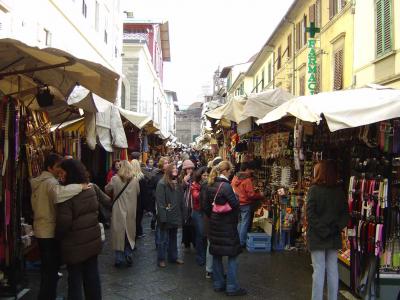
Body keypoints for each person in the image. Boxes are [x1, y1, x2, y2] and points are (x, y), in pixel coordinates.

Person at [30, 153, 86, 300]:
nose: (59, 170)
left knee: (47, 269)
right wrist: (80, 186)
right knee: (50, 270)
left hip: (41, 227)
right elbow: (58, 194)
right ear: (49, 167)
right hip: (48, 229)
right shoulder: (50, 182)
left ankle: (47, 296)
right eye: (57, 167)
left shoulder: (40, 181)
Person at [55, 159, 102, 300]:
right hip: (92, 240)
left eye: (62, 173)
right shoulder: (91, 188)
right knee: (92, 276)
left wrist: (58, 237)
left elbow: (64, 222)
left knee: (74, 280)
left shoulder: (67, 195)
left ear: (70, 173)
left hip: (74, 244)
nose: (60, 176)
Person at [202, 161, 247, 296]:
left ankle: (218, 284)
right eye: (230, 171)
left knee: (216, 254)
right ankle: (232, 287)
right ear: (226, 171)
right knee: (232, 255)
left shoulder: (209, 185)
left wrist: (214, 216)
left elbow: (206, 207)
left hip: (215, 225)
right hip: (227, 226)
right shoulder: (226, 187)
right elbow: (235, 206)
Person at [306, 160, 349, 300]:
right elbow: (345, 215)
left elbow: (310, 214)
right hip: (333, 235)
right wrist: (335, 228)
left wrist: (322, 229)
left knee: (318, 270)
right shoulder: (339, 191)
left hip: (318, 235)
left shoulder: (314, 190)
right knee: (332, 269)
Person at [105, 160, 140, 268]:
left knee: (118, 234)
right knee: (129, 233)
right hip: (131, 210)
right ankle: (128, 254)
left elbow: (107, 189)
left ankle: (119, 259)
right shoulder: (135, 180)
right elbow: (138, 192)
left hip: (118, 210)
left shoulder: (115, 179)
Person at [155, 163, 185, 267]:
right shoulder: (162, 183)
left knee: (173, 238)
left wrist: (182, 214)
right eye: (173, 168)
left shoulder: (178, 183)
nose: (175, 169)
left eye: (176, 168)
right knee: (163, 239)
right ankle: (161, 259)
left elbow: (181, 201)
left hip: (175, 215)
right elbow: (160, 202)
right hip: (166, 216)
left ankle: (173, 257)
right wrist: (163, 218)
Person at [231, 161, 263, 247]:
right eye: (250, 170)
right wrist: (260, 195)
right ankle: (241, 242)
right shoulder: (247, 180)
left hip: (237, 203)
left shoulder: (235, 178)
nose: (251, 172)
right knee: (244, 223)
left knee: (240, 222)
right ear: (247, 169)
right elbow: (251, 195)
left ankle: (238, 240)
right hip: (245, 204)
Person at [191, 167, 209, 267]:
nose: (206, 177)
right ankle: (200, 257)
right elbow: (196, 196)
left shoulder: (209, 184)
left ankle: (206, 256)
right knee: (200, 234)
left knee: (205, 235)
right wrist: (205, 188)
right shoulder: (195, 185)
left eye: (207, 175)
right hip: (198, 212)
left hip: (206, 212)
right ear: (200, 176)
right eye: (204, 175)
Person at [149, 157, 170, 231]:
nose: (167, 165)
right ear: (161, 165)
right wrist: (156, 195)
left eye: (167, 163)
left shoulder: (171, 175)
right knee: (159, 219)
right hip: (159, 201)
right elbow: (151, 188)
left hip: (169, 201)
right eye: (165, 163)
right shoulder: (156, 176)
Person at [181, 159, 196, 251]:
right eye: (187, 169)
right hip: (184, 204)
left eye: (191, 168)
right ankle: (186, 242)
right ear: (184, 170)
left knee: (193, 224)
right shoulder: (181, 178)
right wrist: (184, 182)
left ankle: (194, 242)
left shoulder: (195, 177)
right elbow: (179, 190)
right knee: (185, 224)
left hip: (193, 203)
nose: (189, 170)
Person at [131, 159, 149, 239]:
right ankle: (137, 233)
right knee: (138, 219)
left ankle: (134, 233)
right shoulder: (142, 178)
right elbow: (145, 193)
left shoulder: (129, 178)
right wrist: (146, 206)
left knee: (132, 219)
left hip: (131, 202)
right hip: (140, 203)